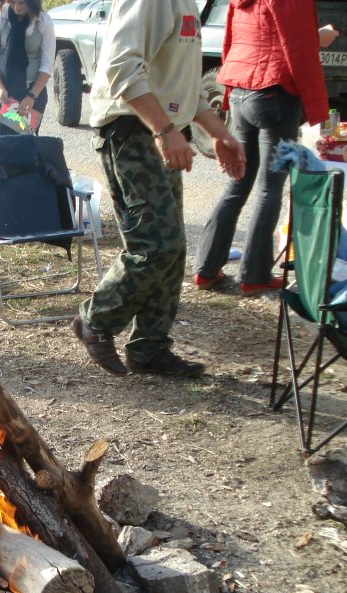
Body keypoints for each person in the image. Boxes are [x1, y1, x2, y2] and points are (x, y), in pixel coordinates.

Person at [72, 0, 246, 378]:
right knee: (155, 244)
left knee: (172, 246)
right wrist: (165, 130)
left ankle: (149, 349)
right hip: (130, 131)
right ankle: (95, 320)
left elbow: (185, 88)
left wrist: (219, 134)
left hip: (159, 129)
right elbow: (121, 68)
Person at [193, 3, 337, 296]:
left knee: (238, 182)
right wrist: (318, 39)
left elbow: (230, 41)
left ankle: (206, 270)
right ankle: (254, 275)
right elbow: (299, 48)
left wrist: (230, 93)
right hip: (275, 91)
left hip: (241, 89)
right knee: (269, 189)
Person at [0, 0, 54, 135]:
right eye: (12, 2)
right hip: (3, 93)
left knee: (25, 142)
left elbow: (47, 65)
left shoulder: (44, 21)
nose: (16, 8)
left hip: (32, 92)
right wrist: (0, 88)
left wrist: (32, 96)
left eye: (22, 3)